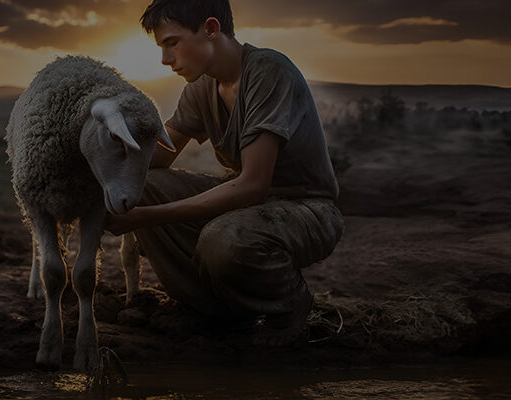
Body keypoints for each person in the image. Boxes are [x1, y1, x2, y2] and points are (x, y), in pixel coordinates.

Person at [104, 0, 345, 347]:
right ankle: (214, 309)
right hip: (248, 208)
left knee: (224, 240)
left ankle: (288, 305)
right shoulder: (201, 88)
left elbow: (252, 187)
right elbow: (157, 158)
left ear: (211, 29)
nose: (165, 59)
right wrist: (103, 165)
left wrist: (145, 218)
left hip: (306, 208)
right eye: (161, 47)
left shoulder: (268, 72)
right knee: (145, 186)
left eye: (172, 43)